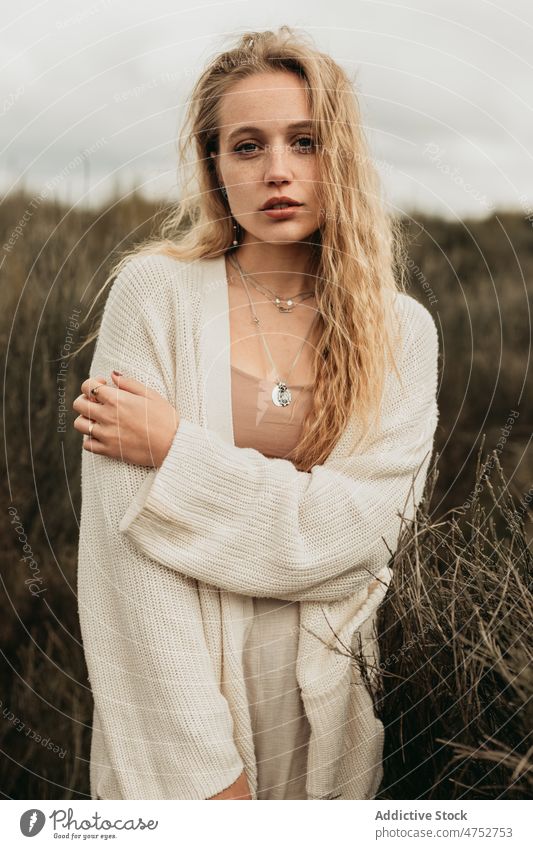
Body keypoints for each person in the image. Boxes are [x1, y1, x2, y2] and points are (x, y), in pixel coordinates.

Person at [72, 26, 439, 800]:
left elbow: (355, 534)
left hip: (333, 714)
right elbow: (122, 559)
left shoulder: (401, 330)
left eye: (303, 141)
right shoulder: (153, 296)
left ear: (337, 155)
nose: (278, 170)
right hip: (180, 721)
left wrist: (178, 453)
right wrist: (207, 781)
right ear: (213, 165)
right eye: (246, 145)